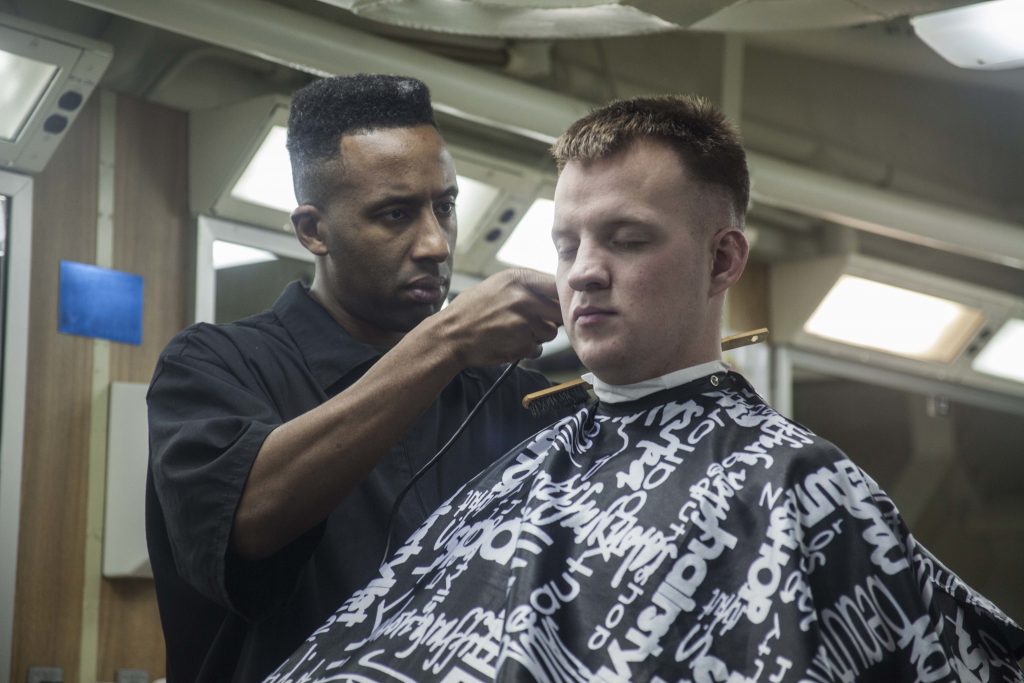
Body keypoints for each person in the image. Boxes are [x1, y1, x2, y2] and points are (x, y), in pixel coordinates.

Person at [264, 95, 1024, 682]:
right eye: (567, 245)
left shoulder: (798, 486)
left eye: (626, 240)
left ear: (724, 260)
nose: (585, 271)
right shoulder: (522, 465)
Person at [146, 74, 563, 683]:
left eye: (444, 206)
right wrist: (444, 342)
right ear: (313, 231)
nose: (436, 244)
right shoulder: (213, 364)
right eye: (395, 214)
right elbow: (250, 519)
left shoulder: (508, 396)